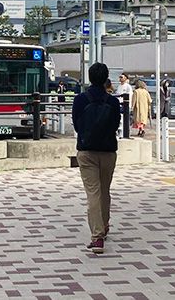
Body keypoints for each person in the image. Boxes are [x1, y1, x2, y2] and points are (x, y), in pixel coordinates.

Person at [72, 62, 121, 255]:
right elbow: (115, 124)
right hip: (108, 150)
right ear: (106, 78)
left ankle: (97, 237)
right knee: (105, 190)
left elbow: (76, 125)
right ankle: (105, 224)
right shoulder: (113, 102)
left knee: (93, 193)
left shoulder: (80, 100)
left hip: (87, 151)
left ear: (89, 78)